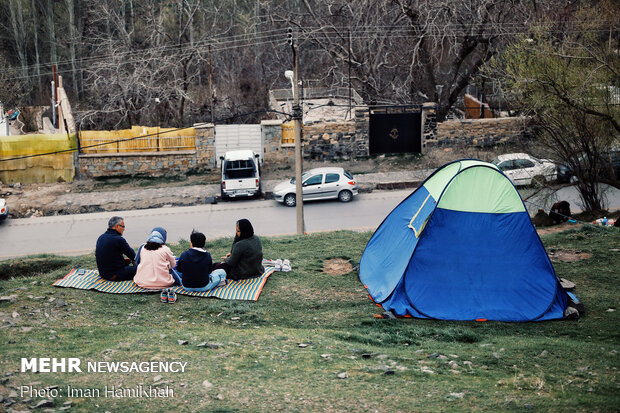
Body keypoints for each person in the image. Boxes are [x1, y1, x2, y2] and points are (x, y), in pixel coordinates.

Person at [95, 216, 136, 281]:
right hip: (114, 275)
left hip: (103, 274)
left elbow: (107, 257)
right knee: (142, 268)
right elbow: (133, 256)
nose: (124, 229)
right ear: (117, 226)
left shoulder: (101, 237)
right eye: (123, 227)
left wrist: (124, 261)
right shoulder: (118, 239)